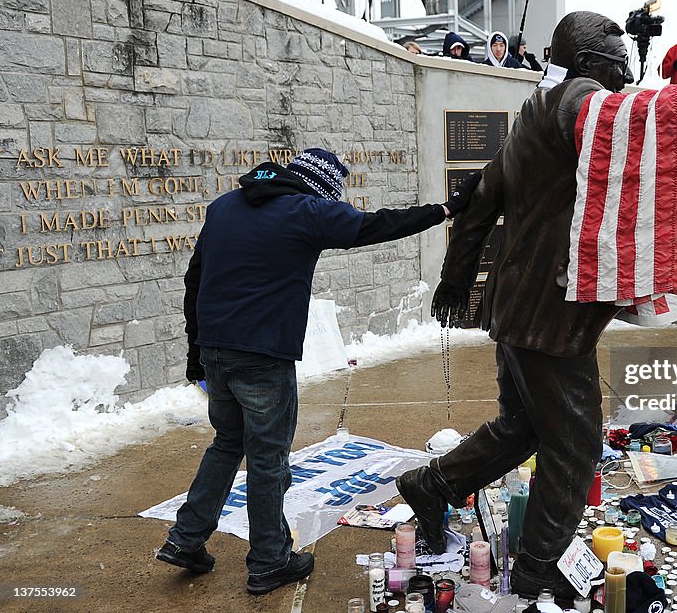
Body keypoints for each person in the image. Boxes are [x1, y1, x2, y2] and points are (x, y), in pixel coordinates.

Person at [397, 0, 677, 602]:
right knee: (575, 444)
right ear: (587, 61)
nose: (622, 75)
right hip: (550, 316)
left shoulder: (533, 114)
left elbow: (481, 198)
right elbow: (674, 114)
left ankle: (429, 486)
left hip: (515, 308)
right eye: (615, 60)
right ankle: (535, 569)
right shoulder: (576, 99)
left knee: (523, 428)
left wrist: (455, 281)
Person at [156, 149, 480, 595]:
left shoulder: (224, 206)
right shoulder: (306, 211)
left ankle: (185, 539)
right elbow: (377, 225)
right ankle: (270, 560)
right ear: (321, 188)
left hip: (216, 350)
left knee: (227, 444)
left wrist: (197, 353)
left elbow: (195, 279)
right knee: (268, 460)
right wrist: (445, 210)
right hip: (263, 356)